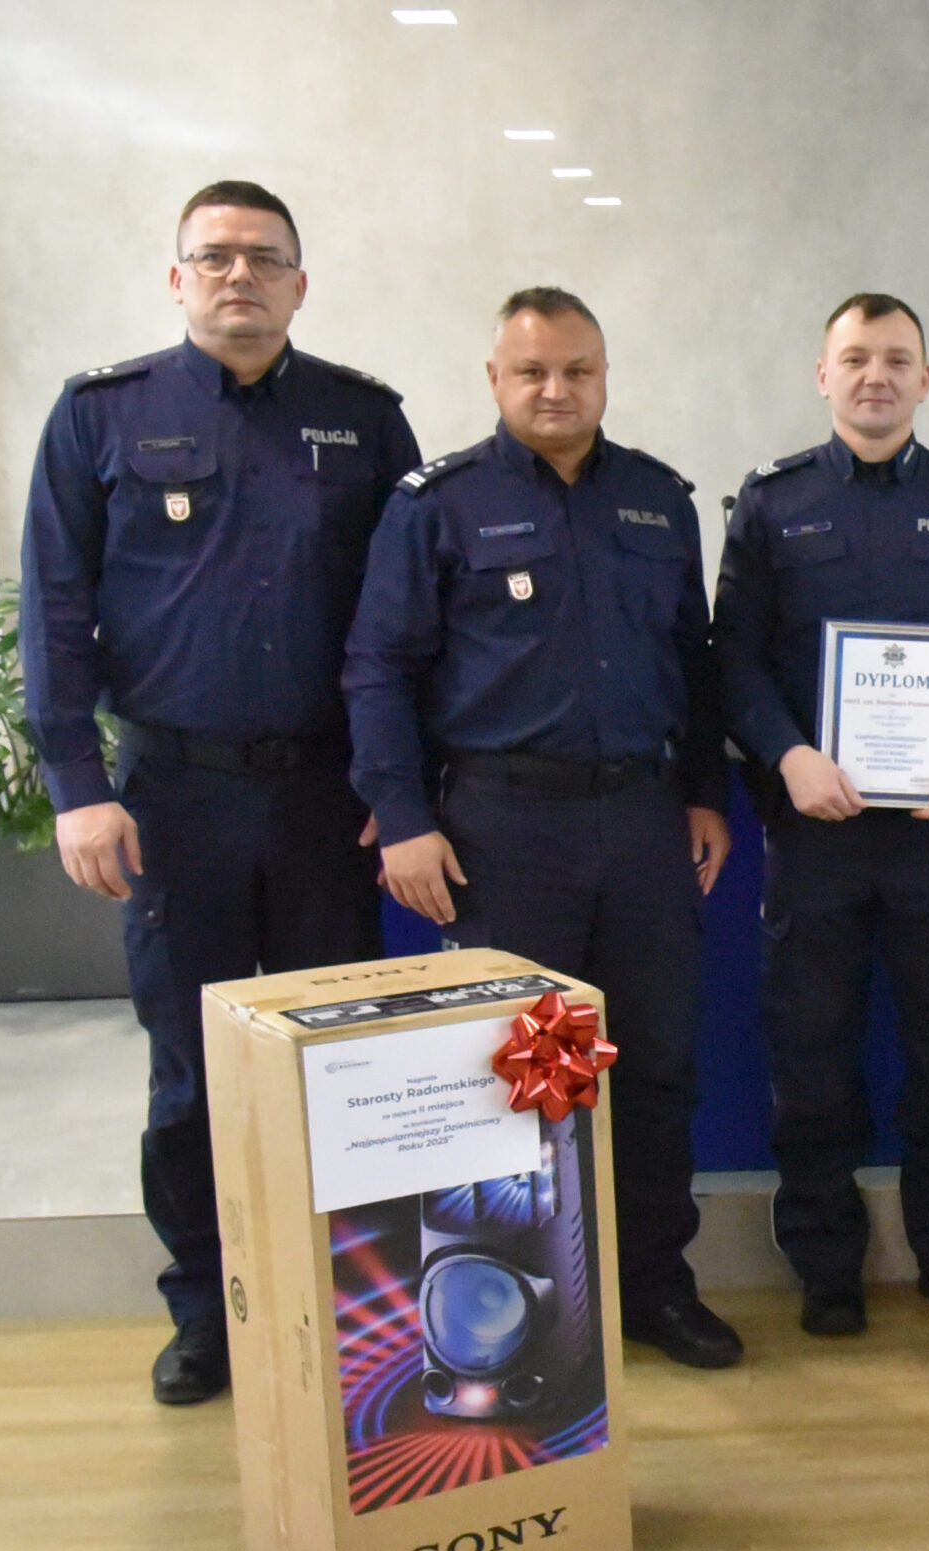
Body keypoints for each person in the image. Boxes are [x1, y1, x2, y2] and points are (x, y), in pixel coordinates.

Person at [18, 181, 418, 1405]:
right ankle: (208, 1307)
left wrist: (399, 783)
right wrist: (76, 782)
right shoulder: (101, 415)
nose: (238, 275)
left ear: (301, 281)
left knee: (333, 1063)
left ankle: (350, 1307)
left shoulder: (365, 421)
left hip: (324, 801)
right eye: (214, 256)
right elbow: (54, 607)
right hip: (173, 798)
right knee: (192, 1068)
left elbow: (409, 620)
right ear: (176, 277)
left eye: (263, 257)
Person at [342, 287, 742, 1370]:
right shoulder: (440, 504)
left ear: (605, 376)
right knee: (535, 1076)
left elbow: (694, 660)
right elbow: (378, 666)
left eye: (577, 370)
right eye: (532, 371)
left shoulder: (657, 500)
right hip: (510, 829)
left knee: (653, 1064)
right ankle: (535, 1311)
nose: (556, 390)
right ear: (495, 379)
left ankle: (653, 1285)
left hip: (643, 824)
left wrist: (705, 791)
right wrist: (403, 816)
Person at [712, 293, 929, 1338]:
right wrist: (787, 752)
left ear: (925, 379)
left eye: (898, 358)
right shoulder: (772, 503)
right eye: (855, 357)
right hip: (815, 830)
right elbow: (732, 658)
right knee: (811, 1052)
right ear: (824, 374)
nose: (876, 375)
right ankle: (826, 1266)